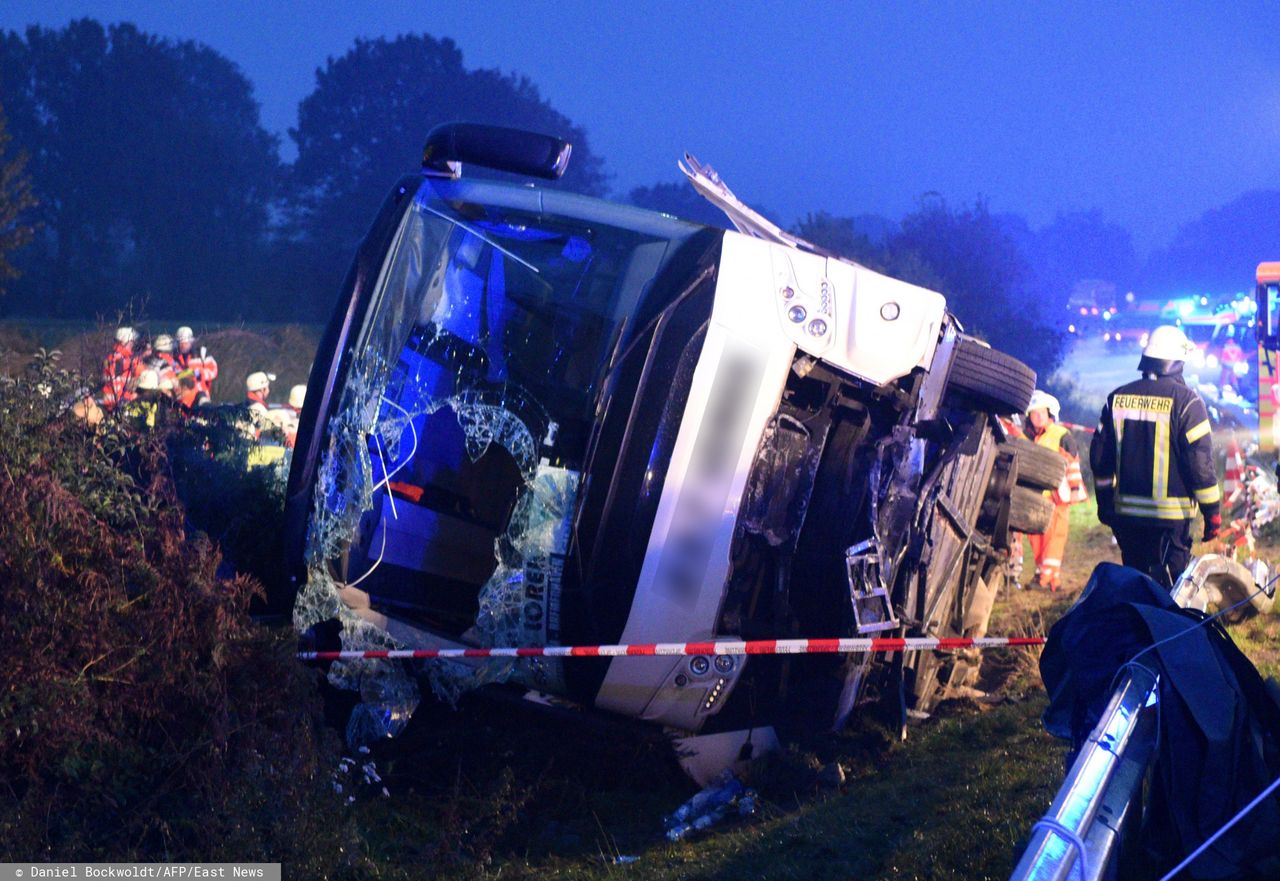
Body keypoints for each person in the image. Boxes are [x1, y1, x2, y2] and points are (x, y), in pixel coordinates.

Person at [1090, 325, 1222, 587]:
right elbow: (1200, 467)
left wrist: (1105, 505)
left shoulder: (1116, 398)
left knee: (1137, 587)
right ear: (1177, 361)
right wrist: (1213, 514)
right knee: (1171, 592)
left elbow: (1100, 459)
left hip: (1127, 518)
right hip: (1169, 522)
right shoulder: (1188, 402)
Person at [1024, 391, 1088, 591]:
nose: (1038, 417)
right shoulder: (1026, 437)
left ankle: (1046, 579)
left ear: (1050, 413)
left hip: (1058, 497)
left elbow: (1073, 464)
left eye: (1042, 413)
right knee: (1037, 538)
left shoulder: (1061, 435)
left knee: (1054, 538)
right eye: (1034, 413)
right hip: (1036, 497)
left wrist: (1076, 488)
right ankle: (1046, 576)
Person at [173, 326, 218, 400]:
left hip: (201, 396)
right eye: (181, 343)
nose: (183, 346)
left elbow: (213, 370)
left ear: (191, 342)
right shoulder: (175, 358)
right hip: (183, 398)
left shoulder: (202, 353)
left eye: (185, 343)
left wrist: (198, 373)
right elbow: (174, 375)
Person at [102, 326, 139, 409]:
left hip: (113, 401)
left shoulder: (116, 356)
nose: (133, 344)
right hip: (116, 403)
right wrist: (130, 397)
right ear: (124, 342)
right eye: (131, 342)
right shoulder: (119, 360)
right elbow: (116, 385)